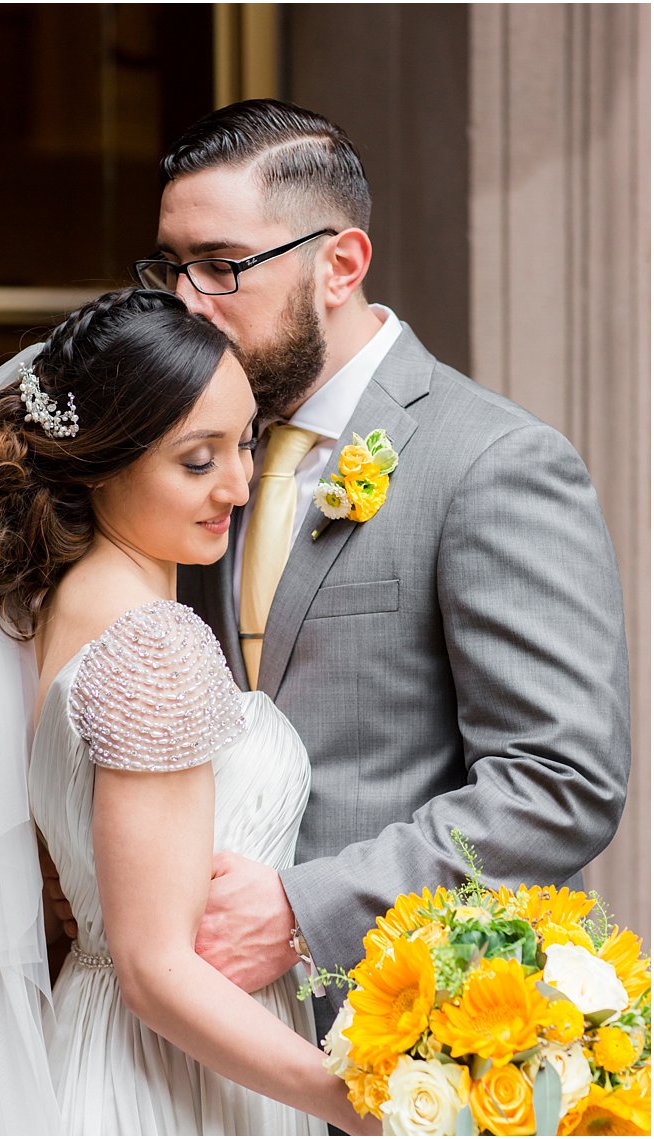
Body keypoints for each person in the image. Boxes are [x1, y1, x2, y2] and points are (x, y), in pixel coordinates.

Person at [127, 99, 630, 1044]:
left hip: (397, 1028)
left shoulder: (495, 461)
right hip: (201, 1029)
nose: (187, 301)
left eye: (221, 266)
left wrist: (303, 908)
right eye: (170, 267)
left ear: (341, 266)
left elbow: (559, 781)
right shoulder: (190, 459)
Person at [0, 288, 373, 1135]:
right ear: (101, 462)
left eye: (245, 443)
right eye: (199, 459)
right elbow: (154, 970)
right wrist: (367, 1104)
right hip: (171, 1084)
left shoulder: (58, 612)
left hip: (119, 1043)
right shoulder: (152, 642)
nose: (238, 481)